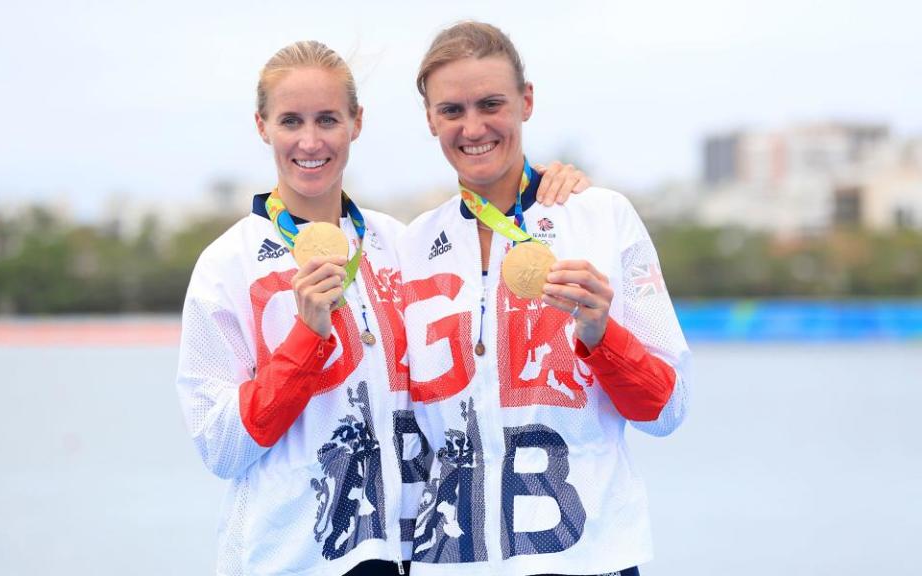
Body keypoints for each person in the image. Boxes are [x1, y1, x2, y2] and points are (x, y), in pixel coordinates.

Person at [175, 40, 590, 576]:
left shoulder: (402, 245)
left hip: (412, 557)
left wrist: (554, 189)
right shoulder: (226, 266)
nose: (310, 140)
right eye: (289, 121)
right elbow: (220, 448)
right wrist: (305, 338)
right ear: (261, 126)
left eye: (327, 119)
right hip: (288, 560)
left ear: (356, 123)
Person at [396, 22, 692, 576]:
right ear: (431, 118)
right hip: (451, 564)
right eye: (452, 110)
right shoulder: (409, 246)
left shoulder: (601, 217)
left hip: (589, 557)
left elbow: (668, 410)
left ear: (526, 101)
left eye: (491, 104)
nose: (474, 127)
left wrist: (603, 334)